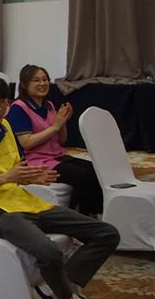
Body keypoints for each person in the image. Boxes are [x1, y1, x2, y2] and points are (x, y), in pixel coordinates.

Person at [0, 73, 120, 299]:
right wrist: (7, 177)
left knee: (107, 233)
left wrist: (32, 177)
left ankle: (60, 288)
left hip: (24, 201)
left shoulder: (5, 127)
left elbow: (16, 169)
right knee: (49, 252)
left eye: (3, 102)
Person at [7, 65, 102, 216]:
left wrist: (62, 122)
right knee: (82, 176)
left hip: (57, 156)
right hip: (35, 160)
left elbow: (62, 141)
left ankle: (86, 212)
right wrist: (55, 126)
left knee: (95, 170)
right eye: (36, 80)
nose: (42, 84)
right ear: (24, 85)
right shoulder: (19, 108)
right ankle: (85, 216)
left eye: (45, 80)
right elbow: (26, 143)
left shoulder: (49, 105)